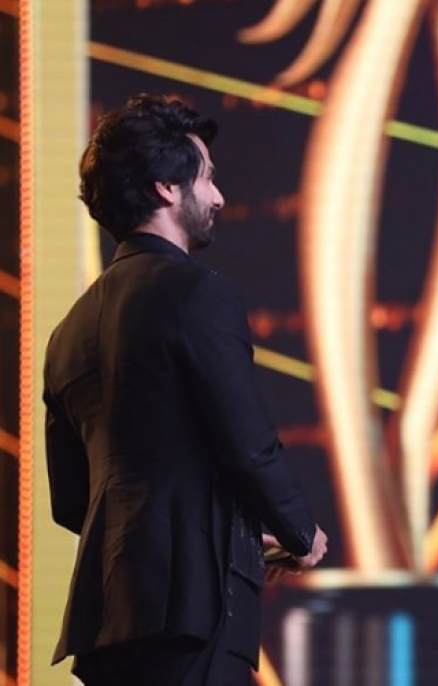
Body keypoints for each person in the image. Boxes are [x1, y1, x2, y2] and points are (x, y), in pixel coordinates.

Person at [43, 93, 328, 686]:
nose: (219, 197)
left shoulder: (67, 331)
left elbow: (72, 502)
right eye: (208, 178)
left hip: (106, 616)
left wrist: (225, 531)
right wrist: (301, 533)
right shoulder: (197, 292)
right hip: (192, 610)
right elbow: (248, 444)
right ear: (167, 188)